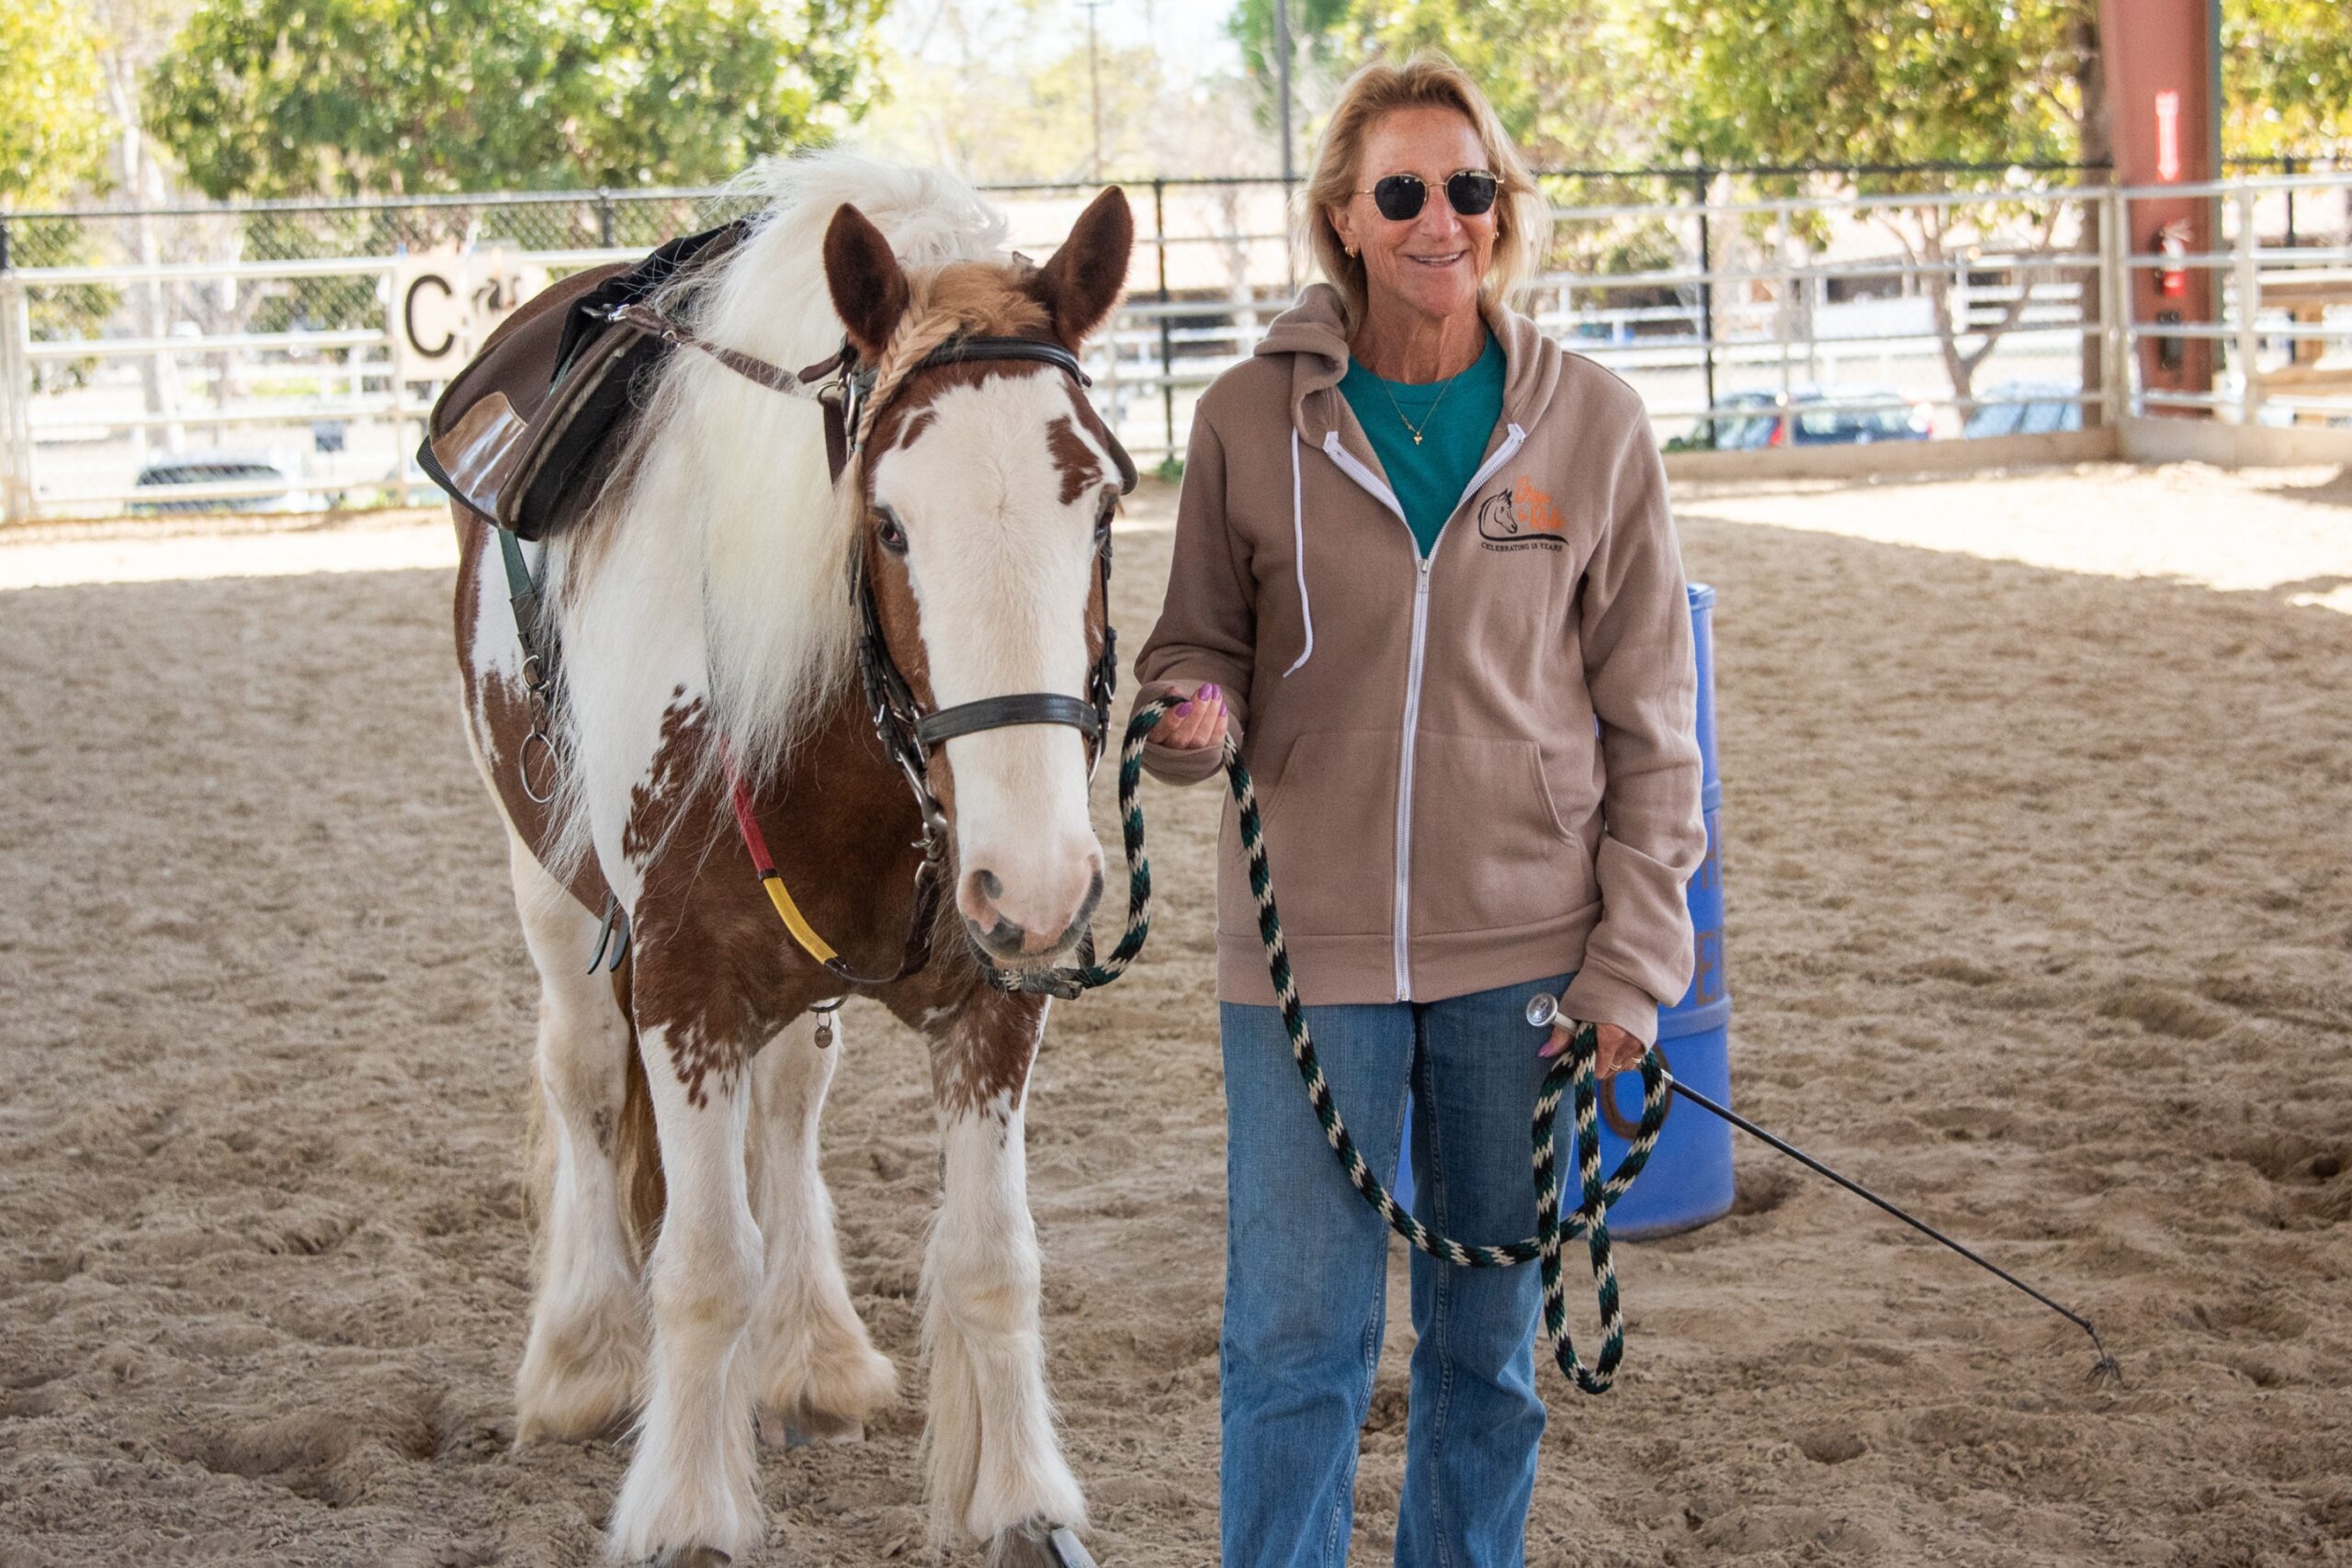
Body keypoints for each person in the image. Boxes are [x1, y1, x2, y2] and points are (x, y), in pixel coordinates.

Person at [1130, 50, 1709, 1568]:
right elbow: (1191, 651)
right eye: (1401, 192)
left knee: (1485, 1356)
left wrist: (1635, 968)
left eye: (1468, 186)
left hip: (1528, 961)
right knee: (1292, 1344)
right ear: (1343, 215)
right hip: (1303, 966)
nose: (1439, 219)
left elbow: (1657, 733)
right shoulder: (1245, 421)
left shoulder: (1596, 425)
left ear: (1502, 207)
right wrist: (1190, 719)